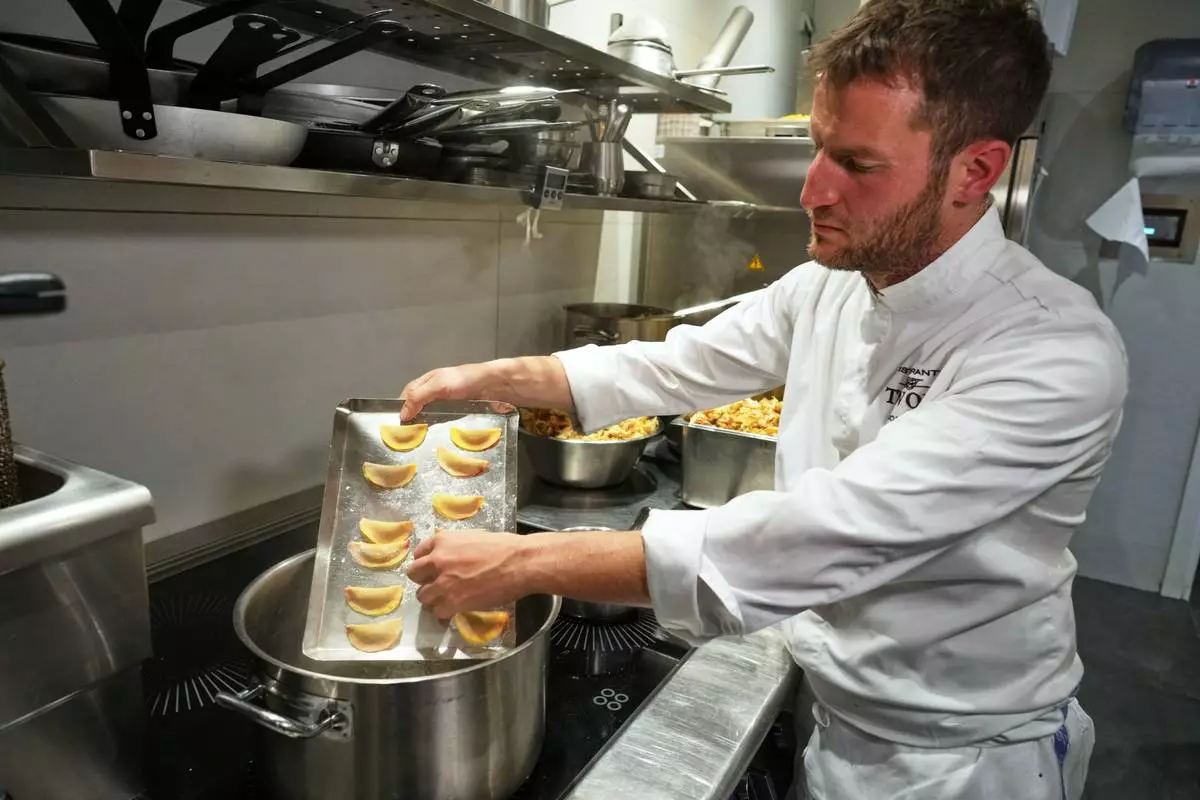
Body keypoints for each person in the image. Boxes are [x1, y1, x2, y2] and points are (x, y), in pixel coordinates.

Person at [400, 0, 1128, 797]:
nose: (812, 191)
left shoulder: (1053, 350)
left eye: (858, 163)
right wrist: (495, 377)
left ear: (976, 172)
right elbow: (682, 365)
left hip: (959, 755)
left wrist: (524, 562)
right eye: (819, 148)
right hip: (833, 704)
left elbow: (826, 536)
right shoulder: (828, 285)